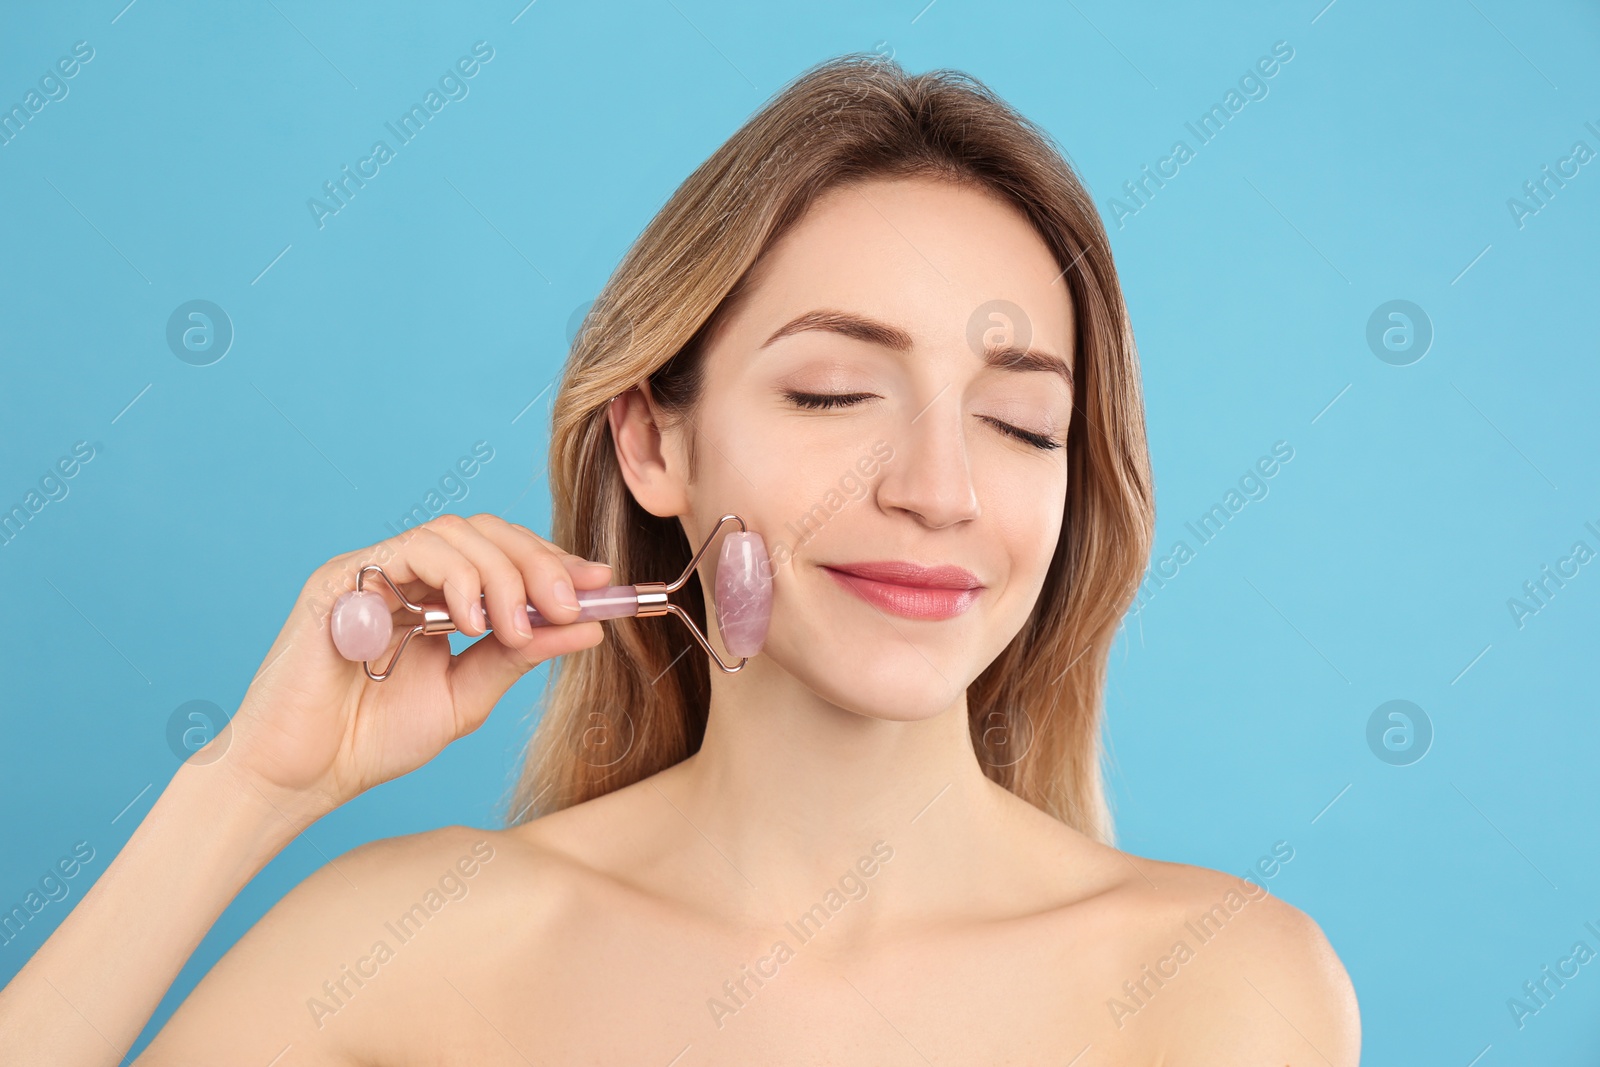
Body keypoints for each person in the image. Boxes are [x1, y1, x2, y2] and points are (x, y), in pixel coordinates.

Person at [0, 53, 1359, 1064]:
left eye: (1019, 422)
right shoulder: (408, 948)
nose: (941, 492)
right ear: (655, 445)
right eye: (832, 393)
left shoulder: (1220, 989)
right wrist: (247, 788)